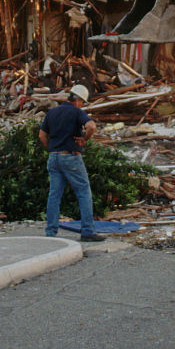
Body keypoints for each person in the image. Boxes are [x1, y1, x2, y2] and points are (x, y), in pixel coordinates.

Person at [39, 84, 105, 242]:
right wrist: (84, 139)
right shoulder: (77, 112)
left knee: (54, 195)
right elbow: (91, 126)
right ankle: (88, 231)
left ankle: (51, 232)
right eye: (83, 102)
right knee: (83, 192)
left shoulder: (52, 112)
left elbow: (42, 135)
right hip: (71, 157)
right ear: (79, 100)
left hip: (54, 158)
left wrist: (53, 149)